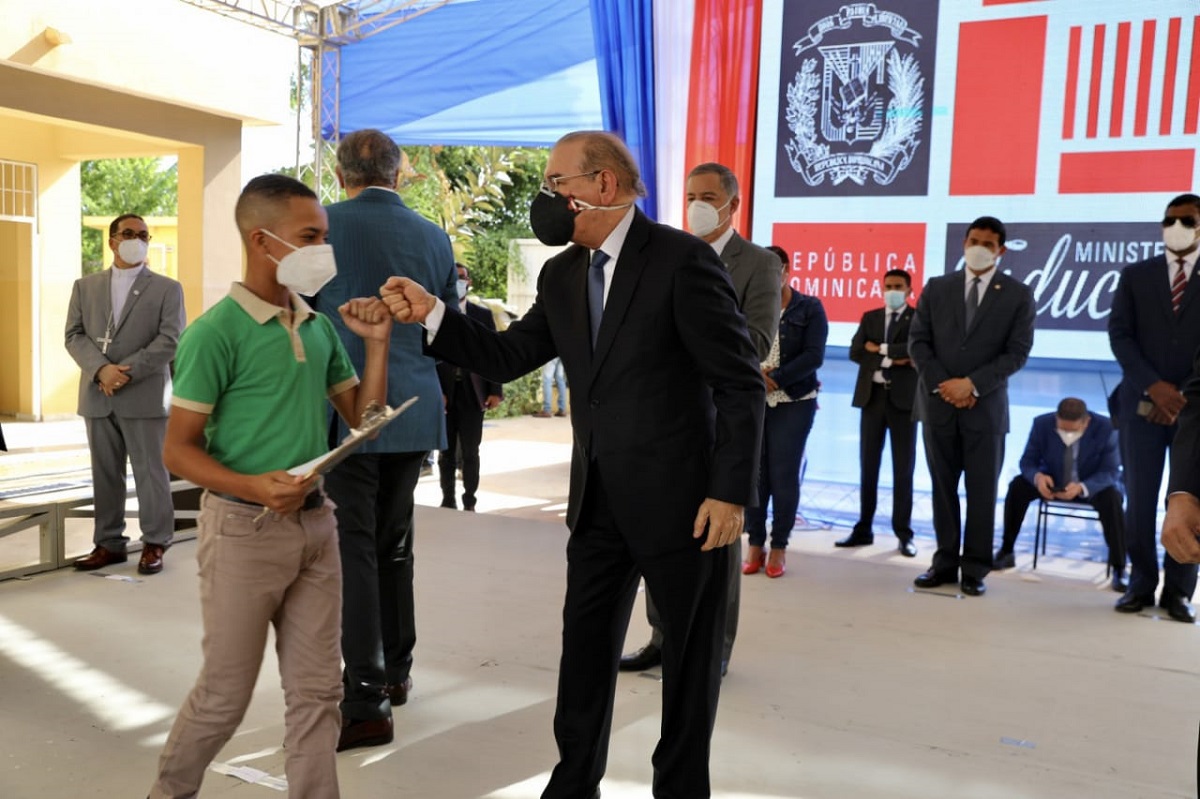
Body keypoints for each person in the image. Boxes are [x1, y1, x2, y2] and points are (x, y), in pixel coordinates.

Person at [380, 130, 764, 799]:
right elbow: (508, 356)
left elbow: (739, 383)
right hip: (597, 504)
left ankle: (679, 790)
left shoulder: (680, 261)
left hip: (685, 505)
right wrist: (435, 313)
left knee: (690, 659)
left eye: (556, 183)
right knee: (584, 651)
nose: (547, 196)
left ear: (602, 185)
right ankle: (573, 783)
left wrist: (729, 493)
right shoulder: (561, 275)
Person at [148, 174, 391, 798]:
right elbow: (177, 450)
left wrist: (377, 347)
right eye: (310, 237)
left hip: (315, 525)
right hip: (243, 531)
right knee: (225, 695)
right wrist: (253, 486)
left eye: (324, 237)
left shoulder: (317, 327)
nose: (323, 250)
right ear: (262, 241)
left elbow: (363, 421)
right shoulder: (215, 333)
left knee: (319, 693)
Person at [312, 129, 458, 750]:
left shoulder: (319, 227)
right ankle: (396, 672)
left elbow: (298, 317)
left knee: (354, 549)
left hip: (344, 404)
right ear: (399, 176)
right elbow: (448, 328)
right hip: (413, 408)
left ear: (339, 174)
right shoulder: (433, 236)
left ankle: (365, 698)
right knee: (394, 544)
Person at [620, 161, 780, 675]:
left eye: (708, 196)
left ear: (733, 204)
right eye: (690, 195)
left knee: (716, 541)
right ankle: (661, 637)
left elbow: (757, 342)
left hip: (719, 419)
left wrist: (687, 342)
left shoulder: (758, 263)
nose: (697, 205)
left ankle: (715, 649)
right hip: (663, 417)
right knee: (659, 531)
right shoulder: (666, 252)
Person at [909, 216, 1035, 597]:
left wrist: (972, 384)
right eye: (973, 241)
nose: (979, 248)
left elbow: (1017, 352)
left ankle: (975, 568)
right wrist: (945, 385)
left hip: (986, 410)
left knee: (982, 493)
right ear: (964, 243)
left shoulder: (1017, 294)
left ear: (1001, 250)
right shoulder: (937, 287)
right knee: (942, 489)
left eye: (988, 243)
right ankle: (944, 562)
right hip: (938, 406)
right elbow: (918, 342)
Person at [65, 213, 185, 575]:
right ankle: (109, 543)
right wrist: (102, 370)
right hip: (97, 394)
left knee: (151, 473)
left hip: (145, 395)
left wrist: (124, 373)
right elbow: (74, 335)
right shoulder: (85, 287)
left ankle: (155, 542)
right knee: (105, 474)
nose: (138, 240)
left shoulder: (167, 288)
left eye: (144, 235)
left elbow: (170, 339)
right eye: (129, 233)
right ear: (112, 241)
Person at [1108, 193, 1200, 622]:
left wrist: (1181, 396)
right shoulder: (1136, 275)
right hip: (1141, 405)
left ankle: (1179, 592)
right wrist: (1155, 387)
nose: (1176, 227)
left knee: (1188, 498)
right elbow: (1120, 335)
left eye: (1187, 220)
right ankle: (1140, 584)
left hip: (1194, 411)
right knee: (1140, 501)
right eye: (1170, 219)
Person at [742, 259, 827, 578]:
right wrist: (755, 376)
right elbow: (734, 346)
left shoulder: (809, 308)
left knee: (783, 473)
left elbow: (813, 355)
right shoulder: (747, 305)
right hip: (753, 398)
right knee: (755, 473)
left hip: (794, 400)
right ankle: (755, 543)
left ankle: (779, 545)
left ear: (787, 272)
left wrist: (775, 378)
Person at [992, 397, 1125, 588]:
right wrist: (1038, 477)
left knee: (1112, 497)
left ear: (1086, 422)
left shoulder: (1106, 428)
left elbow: (1111, 471)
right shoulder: (1042, 424)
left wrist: (1082, 487)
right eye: (1062, 429)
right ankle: (1006, 551)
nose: (1067, 434)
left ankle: (1119, 567)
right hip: (1052, 481)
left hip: (1089, 485)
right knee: (1017, 486)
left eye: (1073, 430)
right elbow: (1027, 461)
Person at [840, 268, 919, 557]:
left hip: (903, 403)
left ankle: (904, 533)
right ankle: (864, 528)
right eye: (888, 286)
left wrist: (881, 349)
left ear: (909, 290)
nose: (892, 291)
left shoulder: (918, 319)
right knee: (868, 466)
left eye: (898, 286)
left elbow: (914, 352)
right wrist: (893, 359)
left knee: (903, 470)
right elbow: (856, 351)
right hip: (871, 400)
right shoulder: (870, 317)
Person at [437, 264, 503, 511]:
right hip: (445, 393)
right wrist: (436, 392)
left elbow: (494, 353)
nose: (458, 282)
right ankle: (448, 499)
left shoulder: (482, 315)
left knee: (471, 451)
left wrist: (495, 390)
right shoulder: (437, 313)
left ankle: (470, 500)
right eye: (453, 278)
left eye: (461, 278)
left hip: (473, 393)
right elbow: (429, 354)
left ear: (469, 282)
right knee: (445, 451)